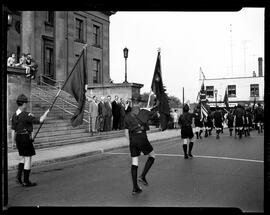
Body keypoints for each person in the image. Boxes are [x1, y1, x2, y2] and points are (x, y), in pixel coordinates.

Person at [11, 94, 49, 187]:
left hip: (18, 138)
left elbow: (13, 130)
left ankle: (19, 176)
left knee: (23, 157)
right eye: (26, 103)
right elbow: (40, 120)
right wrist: (46, 113)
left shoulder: (14, 115)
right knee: (28, 158)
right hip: (25, 138)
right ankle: (26, 181)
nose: (26, 105)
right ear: (23, 104)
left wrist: (13, 142)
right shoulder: (26, 114)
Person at [124, 103, 156, 195]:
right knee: (152, 156)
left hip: (132, 139)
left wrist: (132, 142)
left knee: (134, 162)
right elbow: (154, 114)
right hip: (141, 137)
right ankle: (142, 176)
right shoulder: (143, 113)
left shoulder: (127, 116)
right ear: (139, 109)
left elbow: (126, 132)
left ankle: (135, 188)